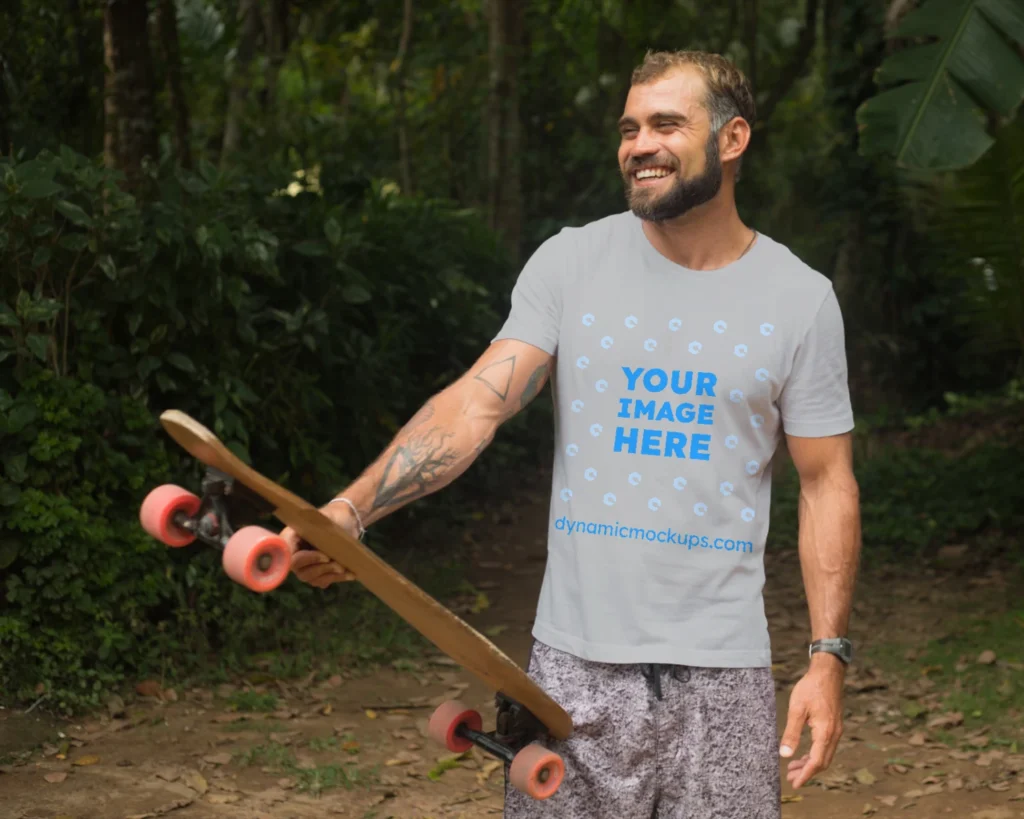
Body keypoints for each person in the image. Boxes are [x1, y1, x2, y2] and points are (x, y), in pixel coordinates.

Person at [281, 49, 862, 819]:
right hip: (573, 671)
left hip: (724, 678)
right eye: (628, 127)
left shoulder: (800, 299)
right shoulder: (573, 263)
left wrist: (828, 658)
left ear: (732, 139)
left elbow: (827, 482)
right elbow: (475, 406)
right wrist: (351, 512)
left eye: (665, 123)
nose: (638, 144)